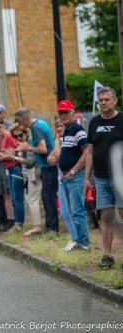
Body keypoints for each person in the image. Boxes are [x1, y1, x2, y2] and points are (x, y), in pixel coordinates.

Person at [84, 86, 123, 270]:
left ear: (115, 100)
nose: (104, 103)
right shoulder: (94, 122)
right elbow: (90, 152)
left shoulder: (122, 119)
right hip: (100, 178)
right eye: (101, 100)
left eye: (107, 99)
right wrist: (86, 177)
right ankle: (107, 256)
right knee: (106, 216)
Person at [48, 101, 90, 251]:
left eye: (66, 112)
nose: (63, 115)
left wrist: (73, 171)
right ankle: (77, 241)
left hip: (75, 177)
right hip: (66, 177)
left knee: (78, 210)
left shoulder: (78, 130)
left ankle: (83, 244)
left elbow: (87, 152)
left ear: (73, 112)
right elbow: (53, 158)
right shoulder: (66, 131)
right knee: (71, 211)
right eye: (60, 113)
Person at [15, 108, 58, 233]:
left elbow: (43, 149)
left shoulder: (35, 127)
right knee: (47, 197)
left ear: (24, 118)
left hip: (47, 166)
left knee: (48, 198)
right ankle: (50, 227)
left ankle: (52, 229)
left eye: (19, 121)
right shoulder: (40, 123)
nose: (19, 125)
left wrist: (28, 148)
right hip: (48, 165)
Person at [9, 125, 42, 237]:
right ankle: (35, 226)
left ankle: (37, 227)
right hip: (27, 175)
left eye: (20, 134)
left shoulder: (30, 143)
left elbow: (30, 162)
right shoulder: (22, 144)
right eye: (15, 136)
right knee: (29, 199)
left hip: (34, 174)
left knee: (32, 200)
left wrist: (15, 158)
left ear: (25, 132)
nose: (18, 137)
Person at [0, 119, 24, 232]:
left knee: (17, 198)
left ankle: (18, 224)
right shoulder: (1, 138)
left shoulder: (8, 136)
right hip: (9, 169)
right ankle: (16, 223)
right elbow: (4, 155)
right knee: (13, 198)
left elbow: (10, 156)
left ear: (3, 126)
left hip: (15, 168)